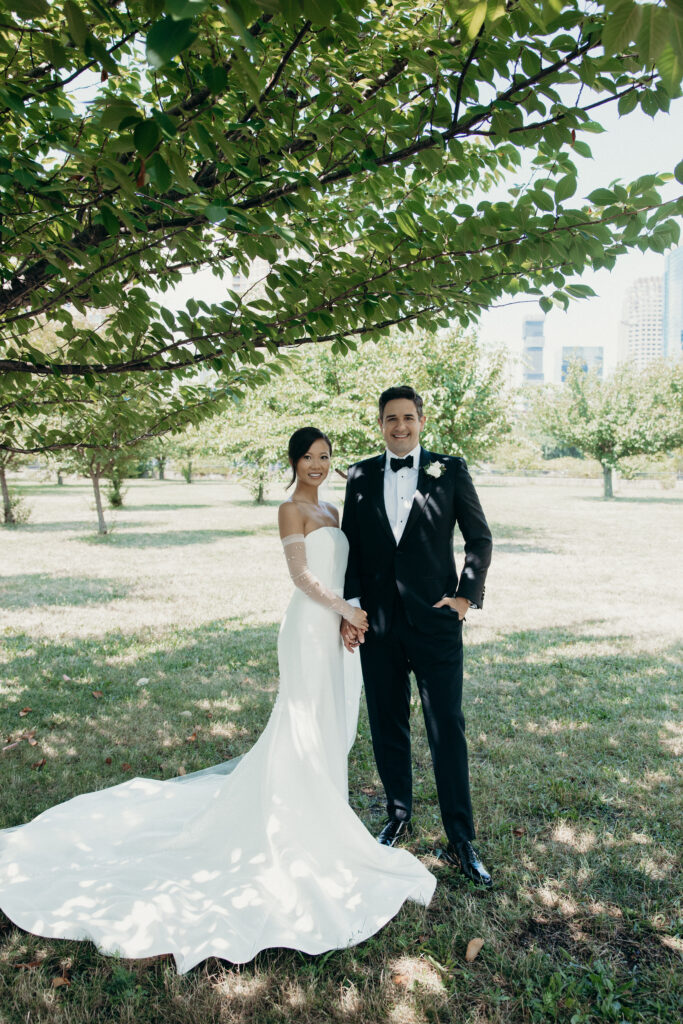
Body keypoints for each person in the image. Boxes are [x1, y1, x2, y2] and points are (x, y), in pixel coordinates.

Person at [0, 427, 435, 974]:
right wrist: (342, 612)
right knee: (300, 721)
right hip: (306, 628)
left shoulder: (332, 510)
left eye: (325, 457)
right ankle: (295, 823)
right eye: (309, 457)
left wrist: (350, 619)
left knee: (330, 723)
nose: (319, 465)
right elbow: (301, 576)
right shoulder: (290, 510)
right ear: (294, 461)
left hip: (336, 630)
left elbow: (342, 572)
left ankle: (323, 809)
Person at [340, 387, 493, 887]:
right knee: (387, 725)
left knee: (446, 726)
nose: (399, 426)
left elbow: (479, 537)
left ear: (422, 421)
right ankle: (398, 815)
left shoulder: (449, 470)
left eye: (408, 418)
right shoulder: (360, 475)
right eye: (390, 419)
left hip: (435, 624)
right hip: (379, 626)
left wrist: (466, 597)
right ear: (379, 423)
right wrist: (354, 609)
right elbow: (353, 549)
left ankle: (461, 838)